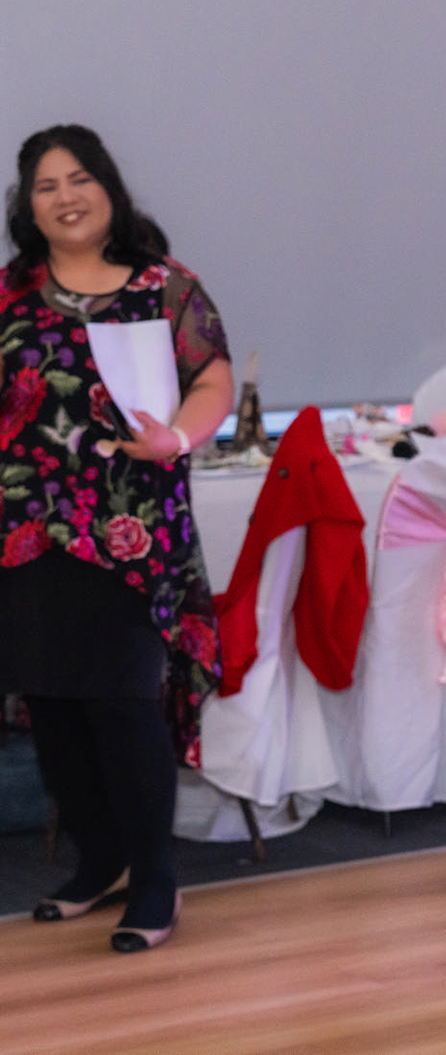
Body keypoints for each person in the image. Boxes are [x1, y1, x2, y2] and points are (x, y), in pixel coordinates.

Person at [0, 124, 233, 953]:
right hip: (26, 533)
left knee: (124, 702)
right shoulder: (11, 294)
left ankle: (156, 878)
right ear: (28, 206)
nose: (66, 197)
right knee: (53, 704)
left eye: (79, 179)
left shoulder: (165, 286)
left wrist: (178, 436)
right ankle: (100, 862)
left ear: (108, 187)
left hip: (132, 534)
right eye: (46, 186)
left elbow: (213, 379)